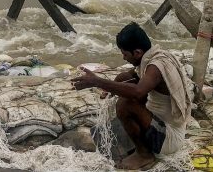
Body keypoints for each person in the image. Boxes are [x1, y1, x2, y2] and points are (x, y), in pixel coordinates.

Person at [72, 23, 193, 170]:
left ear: (137, 52)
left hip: (169, 138)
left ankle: (144, 154)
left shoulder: (156, 66)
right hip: (160, 125)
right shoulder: (152, 56)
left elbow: (138, 92)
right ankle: (140, 146)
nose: (123, 58)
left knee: (125, 104)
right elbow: (128, 76)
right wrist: (112, 87)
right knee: (124, 78)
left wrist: (97, 81)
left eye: (125, 54)